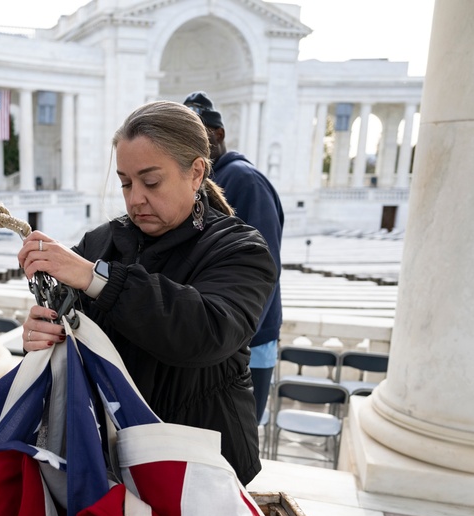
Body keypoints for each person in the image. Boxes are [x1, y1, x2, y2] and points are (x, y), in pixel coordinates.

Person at [17, 100, 276, 485]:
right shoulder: (100, 242)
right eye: (125, 182)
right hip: (112, 461)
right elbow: (76, 341)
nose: (135, 197)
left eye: (151, 182)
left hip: (203, 470)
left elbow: (205, 332)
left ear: (196, 173)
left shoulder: (241, 249)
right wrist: (42, 334)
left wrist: (96, 279)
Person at [184, 91, 284, 425]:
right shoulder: (204, 182)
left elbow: (264, 268)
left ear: (218, 135)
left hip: (246, 345)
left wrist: (234, 339)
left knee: (238, 440)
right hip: (220, 340)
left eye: (197, 135)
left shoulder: (245, 181)